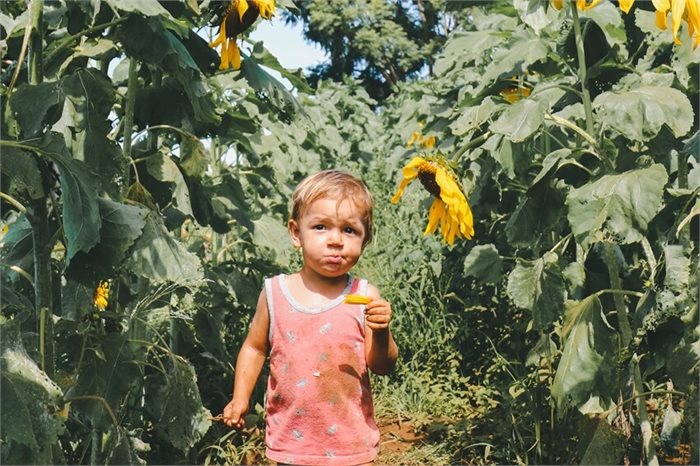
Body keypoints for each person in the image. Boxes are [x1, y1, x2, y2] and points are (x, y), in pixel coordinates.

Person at [223, 169, 399, 465]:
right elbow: (255, 348)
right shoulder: (275, 294)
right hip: (290, 442)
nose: (335, 240)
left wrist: (381, 331)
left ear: (364, 240)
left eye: (349, 230)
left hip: (350, 445)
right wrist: (240, 398)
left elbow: (382, 366)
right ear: (296, 233)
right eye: (320, 227)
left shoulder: (365, 297)